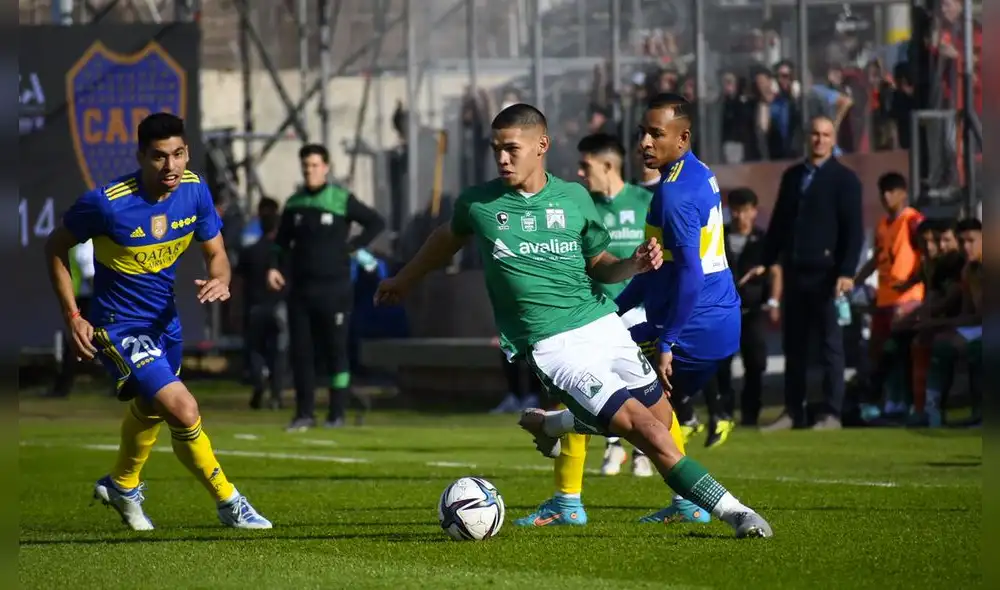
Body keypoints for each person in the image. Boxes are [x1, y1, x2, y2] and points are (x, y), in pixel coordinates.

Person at [375, 101, 772, 538]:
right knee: (645, 430)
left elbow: (600, 263)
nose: (502, 159)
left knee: (661, 420)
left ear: (541, 146)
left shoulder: (574, 197)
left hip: (602, 325)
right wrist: (405, 279)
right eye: (496, 150)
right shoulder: (479, 204)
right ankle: (737, 514)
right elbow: (444, 240)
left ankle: (554, 423)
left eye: (512, 148)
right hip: (553, 345)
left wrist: (633, 265)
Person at [44, 112, 271, 530]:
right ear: (141, 157)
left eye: (179, 154)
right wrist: (73, 315)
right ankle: (229, 501)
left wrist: (222, 279)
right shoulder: (107, 204)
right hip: (119, 324)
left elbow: (217, 254)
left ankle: (122, 483)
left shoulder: (195, 190)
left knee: (151, 408)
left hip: (165, 323)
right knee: (184, 409)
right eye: (160, 157)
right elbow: (55, 248)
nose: (171, 166)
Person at [744, 116, 864, 430]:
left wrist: (847, 271)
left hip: (828, 277)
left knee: (829, 347)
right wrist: (767, 259)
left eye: (826, 135)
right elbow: (779, 224)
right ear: (807, 138)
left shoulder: (845, 179)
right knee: (793, 347)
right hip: (796, 274)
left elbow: (854, 232)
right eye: (814, 134)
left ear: (833, 139)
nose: (819, 140)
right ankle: (793, 411)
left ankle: (831, 413)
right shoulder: (793, 176)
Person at [268, 144, 386, 431]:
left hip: (335, 289)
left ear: (326, 167)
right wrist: (274, 267)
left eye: (315, 165)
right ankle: (304, 413)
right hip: (301, 290)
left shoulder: (340, 199)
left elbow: (375, 222)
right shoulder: (294, 203)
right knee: (302, 353)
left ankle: (337, 413)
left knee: (335, 350)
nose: (310, 171)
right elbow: (280, 243)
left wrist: (353, 246)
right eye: (306, 166)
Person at [568, 133, 656, 479]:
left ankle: (641, 452)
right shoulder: (581, 206)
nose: (578, 173)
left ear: (608, 165)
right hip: (599, 313)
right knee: (605, 382)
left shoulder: (645, 200)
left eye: (585, 165)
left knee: (644, 383)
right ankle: (614, 447)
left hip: (642, 309)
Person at [852, 173, 924, 415]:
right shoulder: (883, 224)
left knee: (899, 351)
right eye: (883, 191)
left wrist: (913, 282)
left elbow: (926, 254)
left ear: (903, 193)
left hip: (908, 299)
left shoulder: (913, 220)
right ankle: (887, 401)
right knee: (879, 352)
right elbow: (877, 258)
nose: (886, 196)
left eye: (892, 191)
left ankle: (907, 402)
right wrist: (855, 281)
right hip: (884, 299)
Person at [708, 188, 772, 431]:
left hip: (752, 311)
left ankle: (750, 415)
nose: (739, 215)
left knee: (755, 364)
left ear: (754, 212)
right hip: (722, 312)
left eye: (745, 210)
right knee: (721, 365)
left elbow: (775, 271)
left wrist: (772, 299)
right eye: (735, 210)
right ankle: (724, 413)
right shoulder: (717, 238)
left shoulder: (763, 241)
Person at [915, 218, 982, 426]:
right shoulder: (967, 271)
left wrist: (938, 323)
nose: (966, 247)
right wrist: (942, 325)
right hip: (979, 326)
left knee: (970, 347)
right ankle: (931, 410)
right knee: (941, 343)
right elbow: (968, 312)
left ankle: (981, 412)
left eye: (971, 241)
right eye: (962, 242)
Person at [238, 197, 287, 410]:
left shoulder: (250, 250)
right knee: (279, 352)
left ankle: (259, 382)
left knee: (255, 350)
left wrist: (235, 308)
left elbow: (239, 281)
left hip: (255, 306)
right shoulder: (284, 252)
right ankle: (277, 394)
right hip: (279, 307)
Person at [47, 238, 94, 397]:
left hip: (88, 298)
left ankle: (62, 387)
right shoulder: (84, 242)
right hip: (86, 297)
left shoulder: (83, 242)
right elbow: (88, 271)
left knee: (76, 342)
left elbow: (88, 270)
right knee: (77, 342)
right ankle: (62, 387)